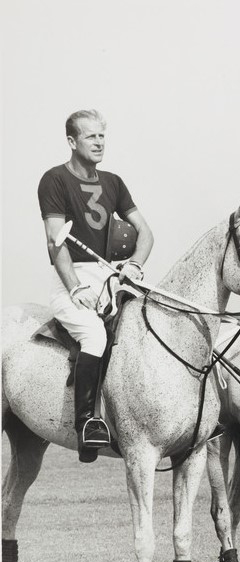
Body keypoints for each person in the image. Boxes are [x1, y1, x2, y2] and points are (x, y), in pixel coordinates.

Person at [37, 109, 154, 463]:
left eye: (102, 135)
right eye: (91, 136)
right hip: (72, 279)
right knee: (94, 335)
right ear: (72, 141)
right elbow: (55, 242)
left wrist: (133, 264)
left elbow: (146, 234)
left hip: (112, 275)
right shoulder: (54, 180)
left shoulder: (114, 182)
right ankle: (87, 423)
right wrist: (74, 287)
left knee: (148, 325)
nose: (99, 142)